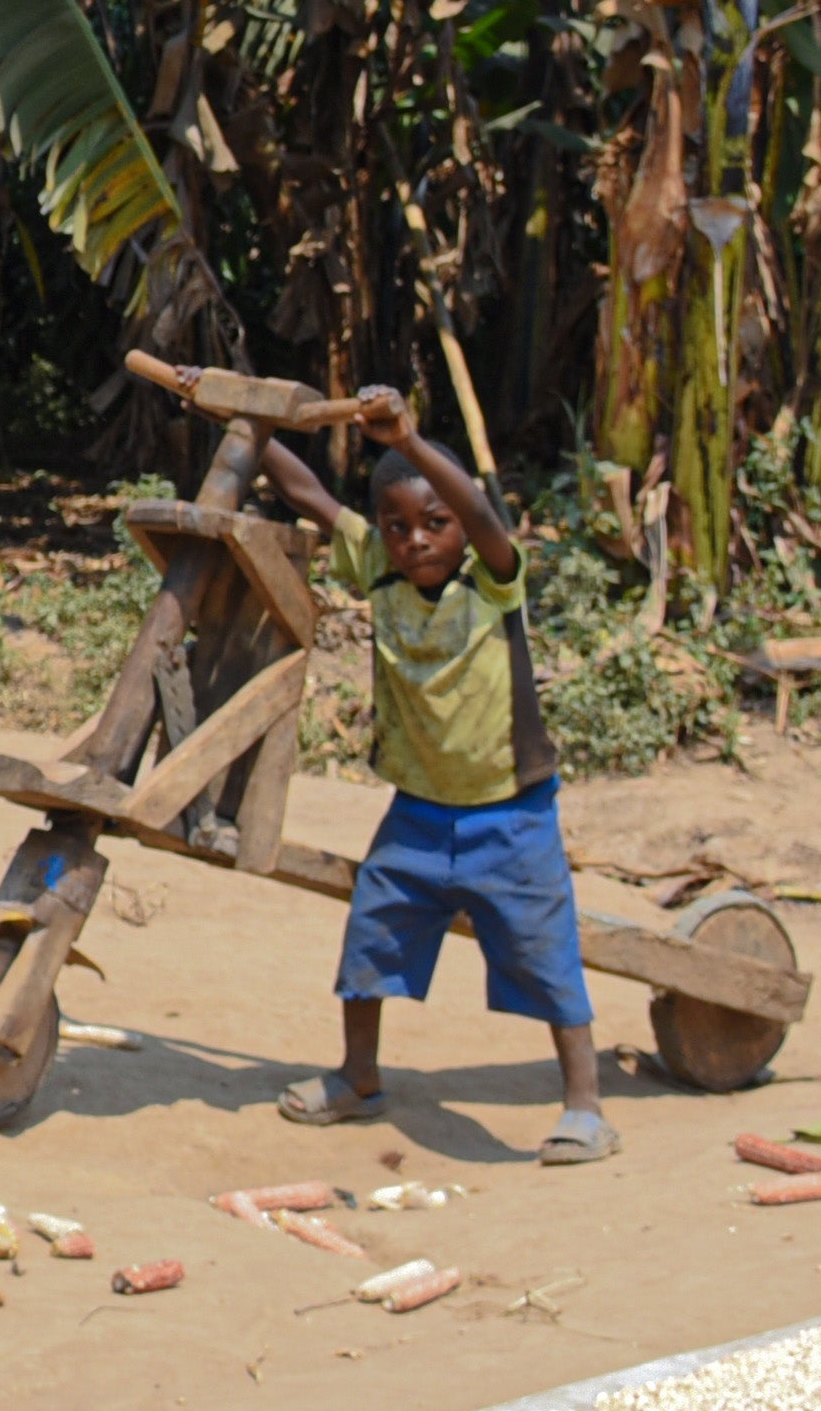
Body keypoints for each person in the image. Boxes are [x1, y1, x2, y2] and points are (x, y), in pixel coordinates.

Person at [241, 383, 611, 1162]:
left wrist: (407, 442)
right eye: (398, 527)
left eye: (433, 524)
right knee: (371, 941)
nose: (416, 541)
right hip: (415, 815)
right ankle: (359, 1078)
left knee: (546, 952)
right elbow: (306, 491)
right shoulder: (376, 566)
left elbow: (480, 511)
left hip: (510, 814)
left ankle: (585, 1108)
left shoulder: (493, 575)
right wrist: (244, 421)